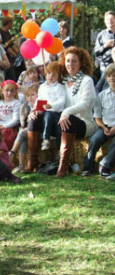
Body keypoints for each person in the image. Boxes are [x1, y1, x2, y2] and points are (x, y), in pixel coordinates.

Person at [25, 46, 97, 177]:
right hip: (60, 122)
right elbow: (47, 98)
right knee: (34, 118)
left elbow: (85, 104)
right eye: (68, 61)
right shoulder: (61, 82)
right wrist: (36, 110)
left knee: (67, 120)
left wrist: (66, 112)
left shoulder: (87, 80)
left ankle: (63, 165)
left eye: (74, 61)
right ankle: (32, 161)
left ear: (81, 63)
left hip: (83, 123)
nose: (70, 64)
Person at [82, 63, 115, 177]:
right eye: (109, 76)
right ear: (106, 78)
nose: (112, 78)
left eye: (114, 75)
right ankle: (87, 166)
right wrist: (104, 127)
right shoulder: (101, 95)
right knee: (95, 139)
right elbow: (97, 116)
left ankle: (105, 165)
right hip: (104, 126)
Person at [9, 83, 39, 173]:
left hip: (38, 130)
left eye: (33, 95)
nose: (30, 97)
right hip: (28, 130)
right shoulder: (25, 106)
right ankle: (21, 166)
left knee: (22, 133)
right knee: (23, 139)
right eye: (28, 95)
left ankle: (12, 153)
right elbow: (22, 123)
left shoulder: (41, 105)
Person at [37, 61, 66, 151]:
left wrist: (51, 105)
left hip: (57, 113)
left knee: (59, 129)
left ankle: (59, 151)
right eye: (49, 73)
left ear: (58, 76)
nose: (50, 76)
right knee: (47, 116)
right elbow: (40, 99)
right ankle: (46, 138)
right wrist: (37, 109)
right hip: (47, 112)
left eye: (54, 75)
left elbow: (62, 101)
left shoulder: (60, 87)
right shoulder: (42, 87)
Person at [0, 80, 21, 149]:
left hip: (9, 127)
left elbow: (16, 119)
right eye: (7, 90)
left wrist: (4, 126)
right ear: (2, 91)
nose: (9, 93)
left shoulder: (16, 103)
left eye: (12, 91)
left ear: (15, 92)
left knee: (2, 135)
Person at [0, 16, 18, 81]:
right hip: (4, 57)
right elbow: (6, 47)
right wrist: (15, 55)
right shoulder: (0, 32)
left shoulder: (7, 32)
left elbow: (11, 44)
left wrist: (18, 52)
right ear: (9, 23)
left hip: (9, 58)